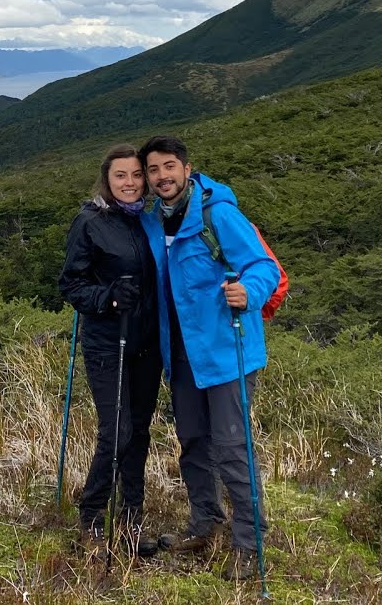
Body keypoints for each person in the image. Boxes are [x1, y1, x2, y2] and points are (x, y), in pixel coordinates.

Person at [137, 134, 281, 581]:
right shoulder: (152, 221)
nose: (161, 177)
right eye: (153, 170)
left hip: (226, 351)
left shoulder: (217, 214)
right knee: (194, 443)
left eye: (168, 167)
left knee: (231, 446)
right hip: (180, 354)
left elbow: (264, 267)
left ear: (186, 167)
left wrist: (249, 291)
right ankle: (205, 523)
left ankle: (248, 541)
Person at [58, 143, 163, 558]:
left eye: (137, 175)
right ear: (108, 178)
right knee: (116, 430)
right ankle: (91, 517)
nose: (131, 183)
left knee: (138, 430)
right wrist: (109, 298)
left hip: (147, 343)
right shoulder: (89, 222)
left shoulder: (151, 222)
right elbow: (71, 284)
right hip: (107, 341)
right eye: (122, 176)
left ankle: (131, 520)